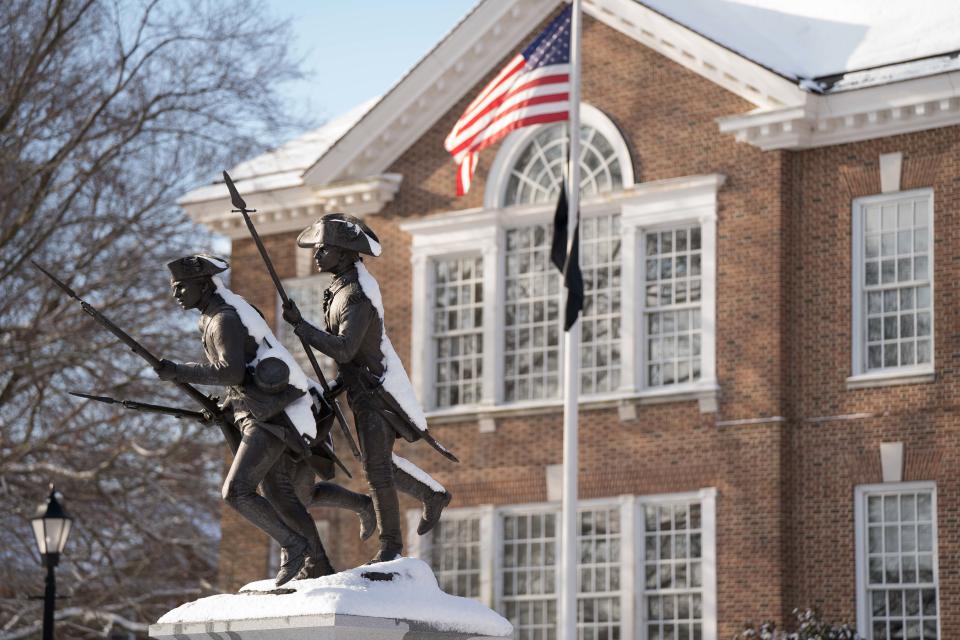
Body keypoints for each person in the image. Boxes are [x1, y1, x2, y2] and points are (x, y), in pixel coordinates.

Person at [155, 254, 374, 586]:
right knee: (289, 496)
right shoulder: (215, 317)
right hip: (263, 410)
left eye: (181, 287)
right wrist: (223, 408)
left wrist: (178, 372)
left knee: (238, 491)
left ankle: (295, 546)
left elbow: (232, 371)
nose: (176, 294)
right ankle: (324, 557)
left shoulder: (224, 318)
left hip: (274, 415)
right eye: (174, 288)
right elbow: (243, 376)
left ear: (202, 284)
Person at [282, 214, 452, 564]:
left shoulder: (357, 294)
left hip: (379, 394)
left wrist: (303, 327)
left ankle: (391, 546)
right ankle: (432, 495)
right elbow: (354, 356)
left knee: (375, 468)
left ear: (344, 253)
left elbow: (345, 348)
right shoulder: (342, 287)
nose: (316, 254)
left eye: (323, 248)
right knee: (376, 463)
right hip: (360, 389)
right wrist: (336, 386)